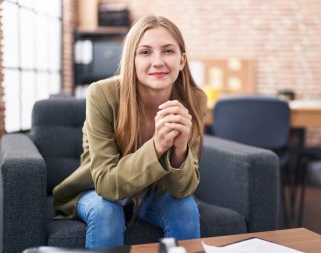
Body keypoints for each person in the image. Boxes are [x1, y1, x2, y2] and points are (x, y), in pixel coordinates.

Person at [52, 15, 207, 249]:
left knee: (186, 208)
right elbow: (105, 185)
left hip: (153, 193)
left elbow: (183, 189)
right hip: (96, 191)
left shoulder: (193, 99)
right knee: (105, 212)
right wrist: (157, 147)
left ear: (182, 60)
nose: (157, 62)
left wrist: (180, 150)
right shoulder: (101, 94)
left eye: (168, 51)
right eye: (145, 52)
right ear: (131, 59)